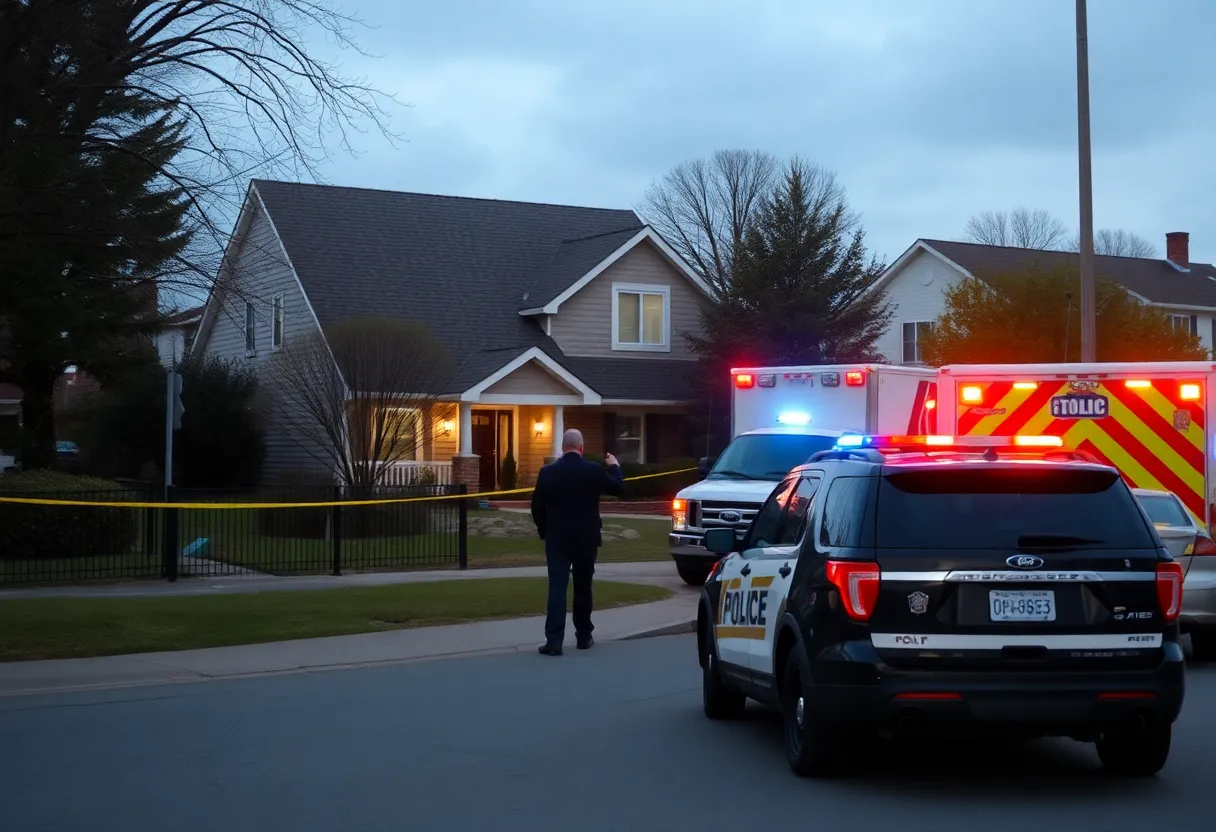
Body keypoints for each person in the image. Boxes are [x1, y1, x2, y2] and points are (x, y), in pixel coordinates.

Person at [530, 429, 625, 655]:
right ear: (581, 448)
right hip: (586, 537)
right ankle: (584, 636)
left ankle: (554, 640)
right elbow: (619, 487)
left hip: (557, 538)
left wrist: (545, 530)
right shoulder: (592, 470)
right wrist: (614, 465)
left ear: (563, 448)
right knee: (583, 586)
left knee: (557, 587)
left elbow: (536, 507)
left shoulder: (547, 472)